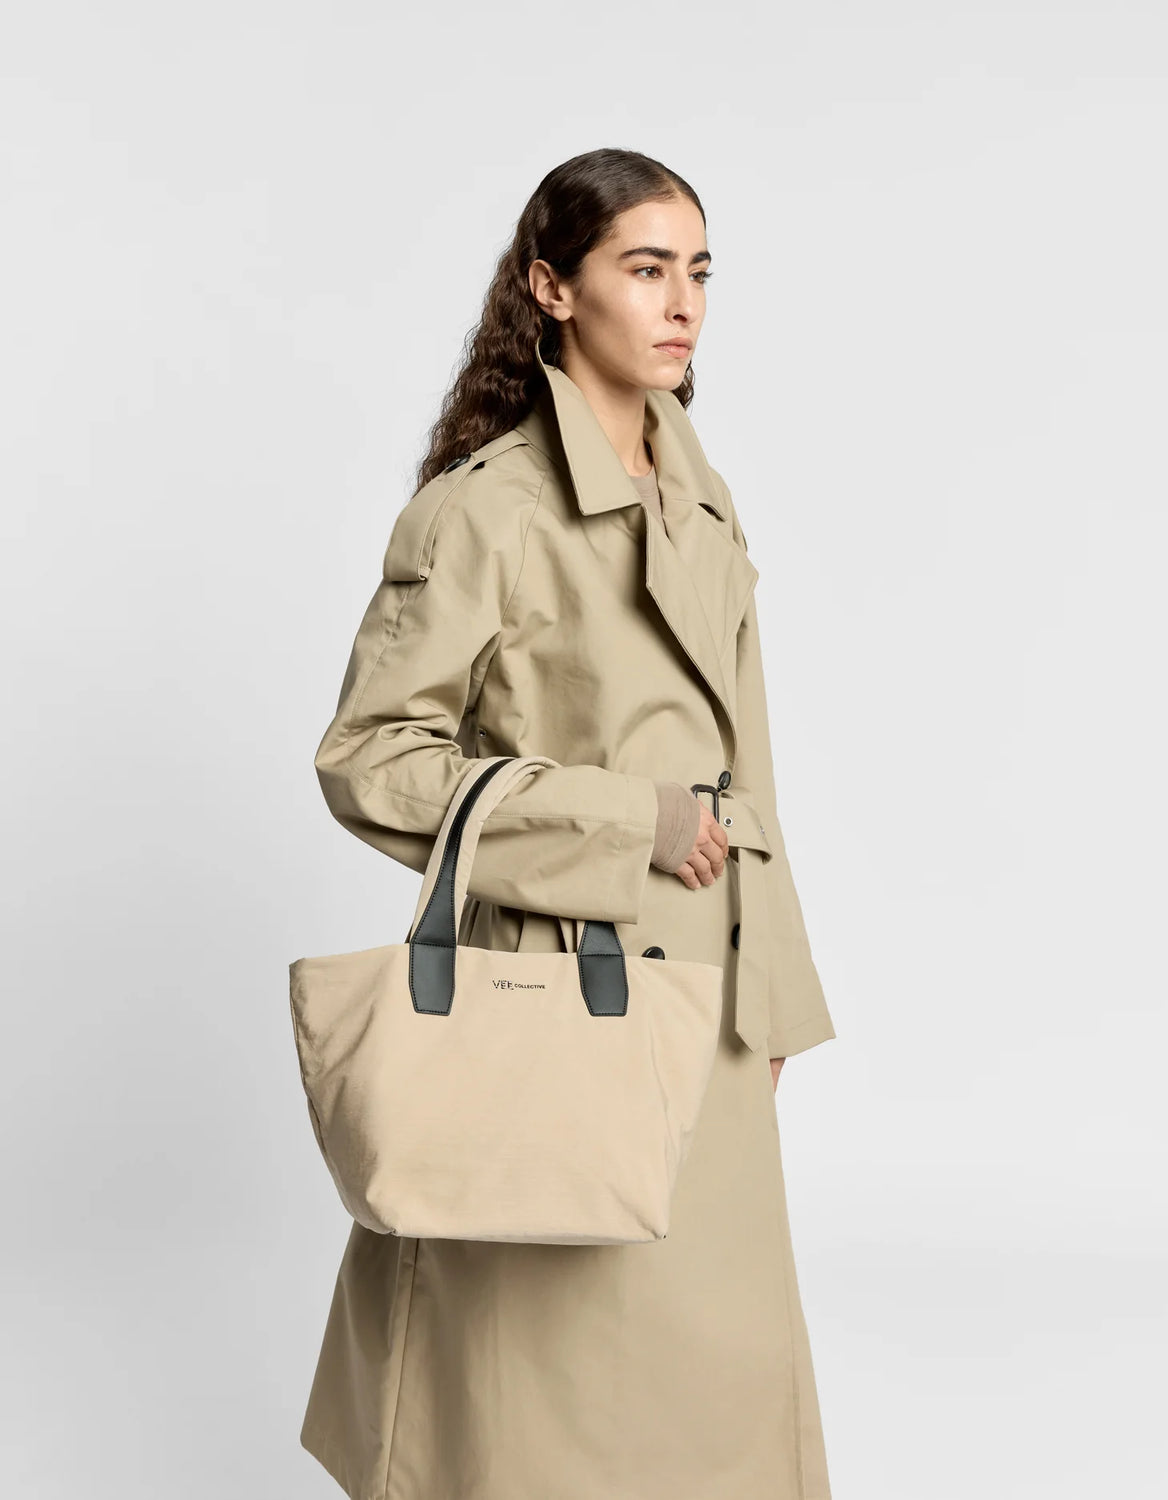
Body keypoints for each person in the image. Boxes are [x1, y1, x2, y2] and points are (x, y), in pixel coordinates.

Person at [299, 146, 837, 1500]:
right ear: (552, 289)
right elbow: (370, 759)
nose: (683, 305)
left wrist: (771, 991)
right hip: (552, 998)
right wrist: (621, 823)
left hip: (707, 1005)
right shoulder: (484, 515)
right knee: (543, 1396)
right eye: (643, 269)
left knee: (715, 1390)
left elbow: (747, 766)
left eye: (698, 271)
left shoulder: (701, 496)